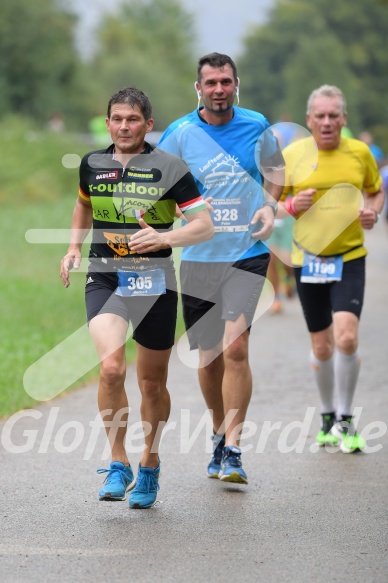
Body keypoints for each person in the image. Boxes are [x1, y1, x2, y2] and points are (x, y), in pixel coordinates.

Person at [60, 87, 213, 509]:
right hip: (106, 278)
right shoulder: (92, 164)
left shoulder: (170, 167)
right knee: (110, 368)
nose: (124, 126)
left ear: (148, 124)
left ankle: (150, 462)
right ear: (107, 122)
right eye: (116, 119)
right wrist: (74, 247)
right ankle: (118, 461)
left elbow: (203, 226)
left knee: (151, 383)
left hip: (155, 282)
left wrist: (164, 236)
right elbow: (83, 205)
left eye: (132, 119)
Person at [158, 53, 285, 483]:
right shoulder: (180, 133)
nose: (218, 90)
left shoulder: (256, 124)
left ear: (236, 85)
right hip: (198, 259)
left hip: (247, 254)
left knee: (236, 348)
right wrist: (183, 212)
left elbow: (276, 170)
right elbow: (158, 188)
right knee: (209, 359)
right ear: (199, 87)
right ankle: (218, 431)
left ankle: (233, 448)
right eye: (210, 82)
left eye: (225, 82)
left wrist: (269, 207)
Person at [279, 85, 385, 453]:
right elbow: (269, 205)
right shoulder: (292, 155)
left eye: (333, 116)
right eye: (319, 116)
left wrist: (374, 211)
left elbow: (375, 190)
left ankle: (345, 418)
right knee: (322, 346)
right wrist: (292, 204)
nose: (326, 122)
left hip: (349, 255)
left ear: (344, 119)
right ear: (309, 120)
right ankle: (326, 416)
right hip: (306, 259)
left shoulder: (360, 154)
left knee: (347, 337)